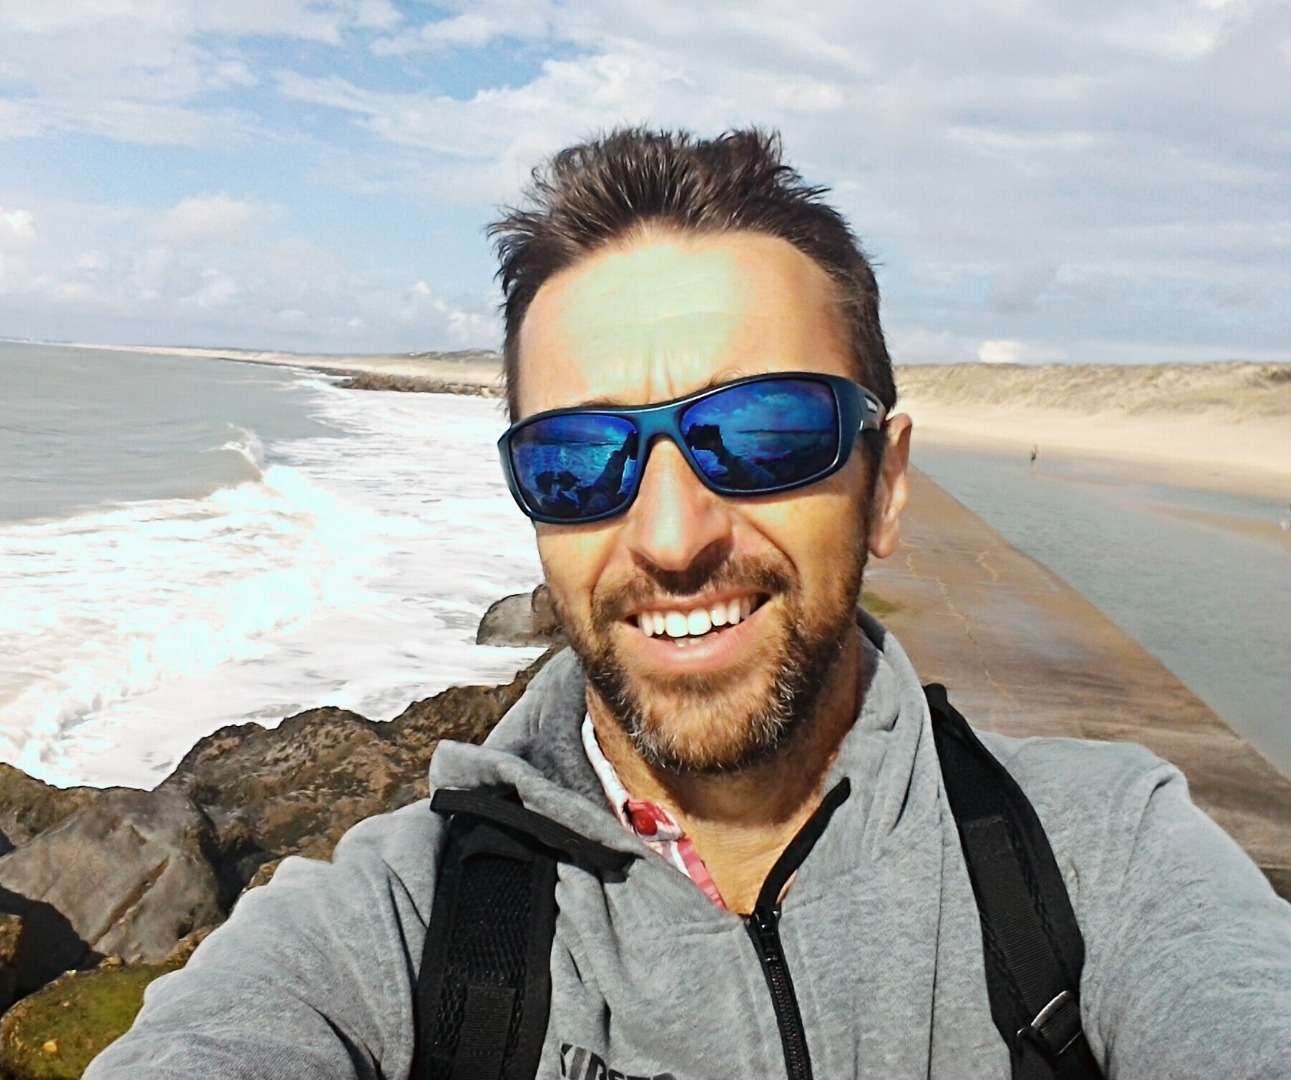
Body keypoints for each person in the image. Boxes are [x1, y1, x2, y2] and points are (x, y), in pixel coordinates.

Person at [87, 129, 1291, 1079]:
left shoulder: (1100, 859)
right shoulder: (396, 925)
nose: (670, 538)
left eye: (762, 434)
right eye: (578, 459)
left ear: (883, 486)